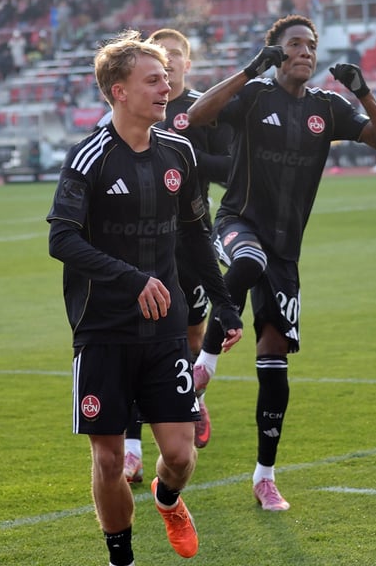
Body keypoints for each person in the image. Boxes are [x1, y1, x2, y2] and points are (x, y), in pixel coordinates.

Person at [186, 14, 376, 511]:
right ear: (276, 53)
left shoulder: (328, 108)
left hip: (288, 249)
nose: (305, 51)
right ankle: (204, 370)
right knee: (249, 261)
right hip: (237, 221)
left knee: (275, 357)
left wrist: (364, 93)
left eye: (311, 45)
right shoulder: (254, 97)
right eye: (295, 45)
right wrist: (247, 70)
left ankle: (265, 478)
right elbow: (197, 116)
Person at [46, 30, 244, 566]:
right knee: (110, 460)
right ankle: (121, 558)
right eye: (152, 80)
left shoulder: (178, 151)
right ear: (118, 91)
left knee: (179, 457)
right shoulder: (89, 157)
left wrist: (225, 304)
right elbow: (61, 238)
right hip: (104, 329)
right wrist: (133, 279)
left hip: (164, 329)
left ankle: (167, 498)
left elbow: (195, 235)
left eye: (166, 77)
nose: (166, 87)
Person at [117, 28, 236, 485]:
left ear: (187, 63)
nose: (167, 65)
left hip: (190, 236)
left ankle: (191, 397)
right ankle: (131, 451)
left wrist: (185, 159)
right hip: (140, 244)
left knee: (189, 332)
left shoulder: (205, 110)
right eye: (159, 58)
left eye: (174, 57)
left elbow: (230, 168)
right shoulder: (138, 110)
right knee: (134, 339)